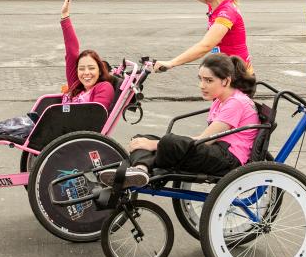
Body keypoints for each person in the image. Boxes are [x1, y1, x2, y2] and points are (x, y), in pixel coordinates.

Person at [0, 0, 115, 152]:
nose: (86, 73)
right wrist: (65, 17)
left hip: (68, 133)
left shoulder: (104, 87)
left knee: (30, 123)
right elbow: (71, 51)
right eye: (82, 68)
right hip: (55, 126)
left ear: (100, 70)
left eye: (91, 68)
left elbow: (95, 116)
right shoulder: (76, 85)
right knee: (22, 121)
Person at [99, 53, 259, 188]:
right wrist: (151, 142)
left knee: (168, 142)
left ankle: (139, 167)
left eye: (208, 81)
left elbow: (205, 140)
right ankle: (140, 169)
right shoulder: (221, 99)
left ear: (226, 81)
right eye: (201, 79)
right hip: (217, 150)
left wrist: (155, 145)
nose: (202, 85)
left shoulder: (235, 103)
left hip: (228, 159)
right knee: (142, 137)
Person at [144, 0, 250, 72]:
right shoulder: (214, 2)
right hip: (225, 71)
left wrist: (171, 63)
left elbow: (206, 46)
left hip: (238, 77)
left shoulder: (227, 12)